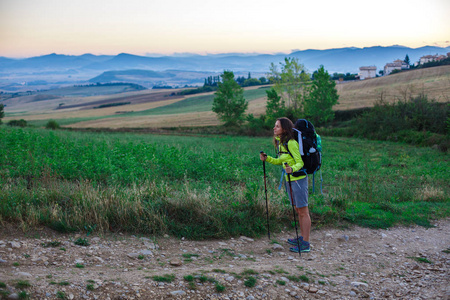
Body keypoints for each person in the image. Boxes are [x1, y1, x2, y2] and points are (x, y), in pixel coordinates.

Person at [260, 117, 311, 253]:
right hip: (290, 179)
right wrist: (268, 159)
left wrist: (292, 169)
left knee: (303, 210)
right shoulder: (280, 142)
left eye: (277, 126)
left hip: (298, 179)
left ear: (284, 128)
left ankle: (305, 243)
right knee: (298, 209)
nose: (274, 128)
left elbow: (300, 162)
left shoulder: (292, 143)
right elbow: (280, 161)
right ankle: (302, 238)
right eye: (274, 126)